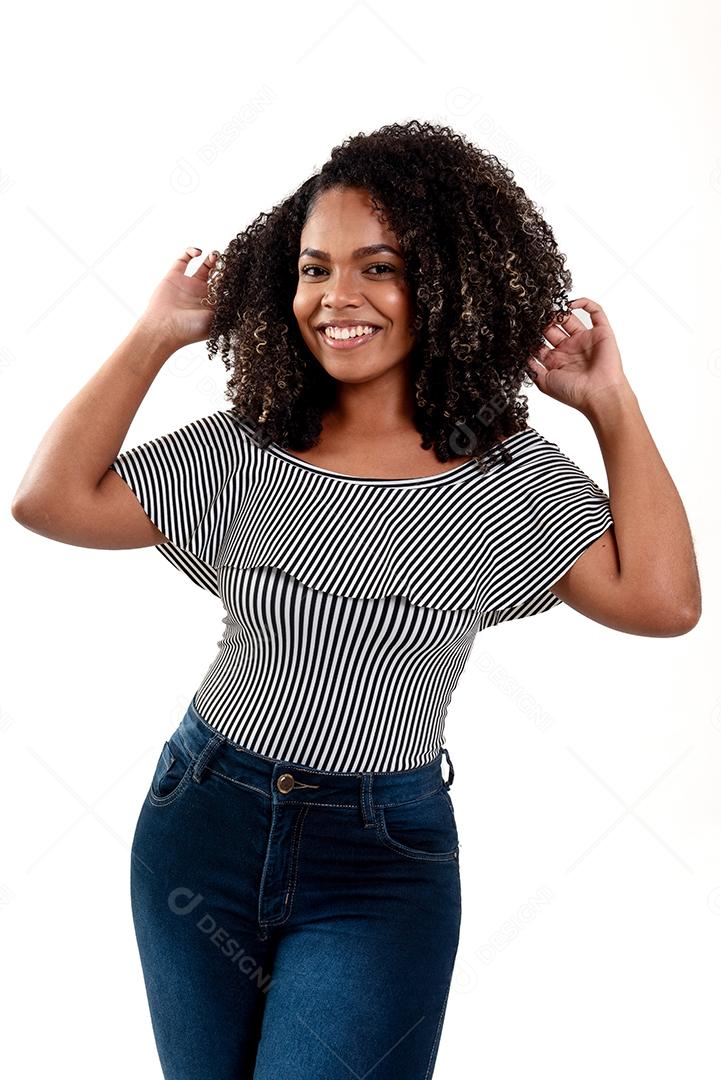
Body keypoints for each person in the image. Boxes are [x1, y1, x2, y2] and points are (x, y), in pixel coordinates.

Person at [10, 119, 701, 1079]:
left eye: (379, 267)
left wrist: (610, 407)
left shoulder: (508, 487)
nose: (338, 297)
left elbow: (663, 602)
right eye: (313, 268)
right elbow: (48, 501)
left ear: (449, 283)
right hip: (200, 823)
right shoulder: (247, 449)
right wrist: (155, 334)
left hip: (378, 862)